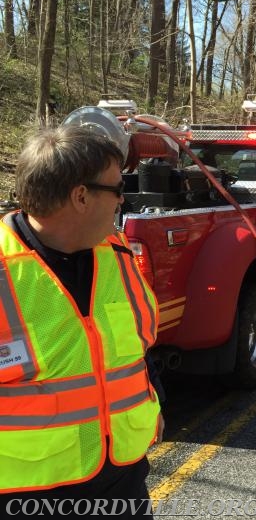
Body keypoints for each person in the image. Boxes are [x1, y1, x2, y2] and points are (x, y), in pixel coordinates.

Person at [0, 125, 163, 518]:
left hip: (122, 482)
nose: (123, 200)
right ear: (81, 196)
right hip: (25, 498)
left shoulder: (119, 255)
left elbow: (140, 351)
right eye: (116, 189)